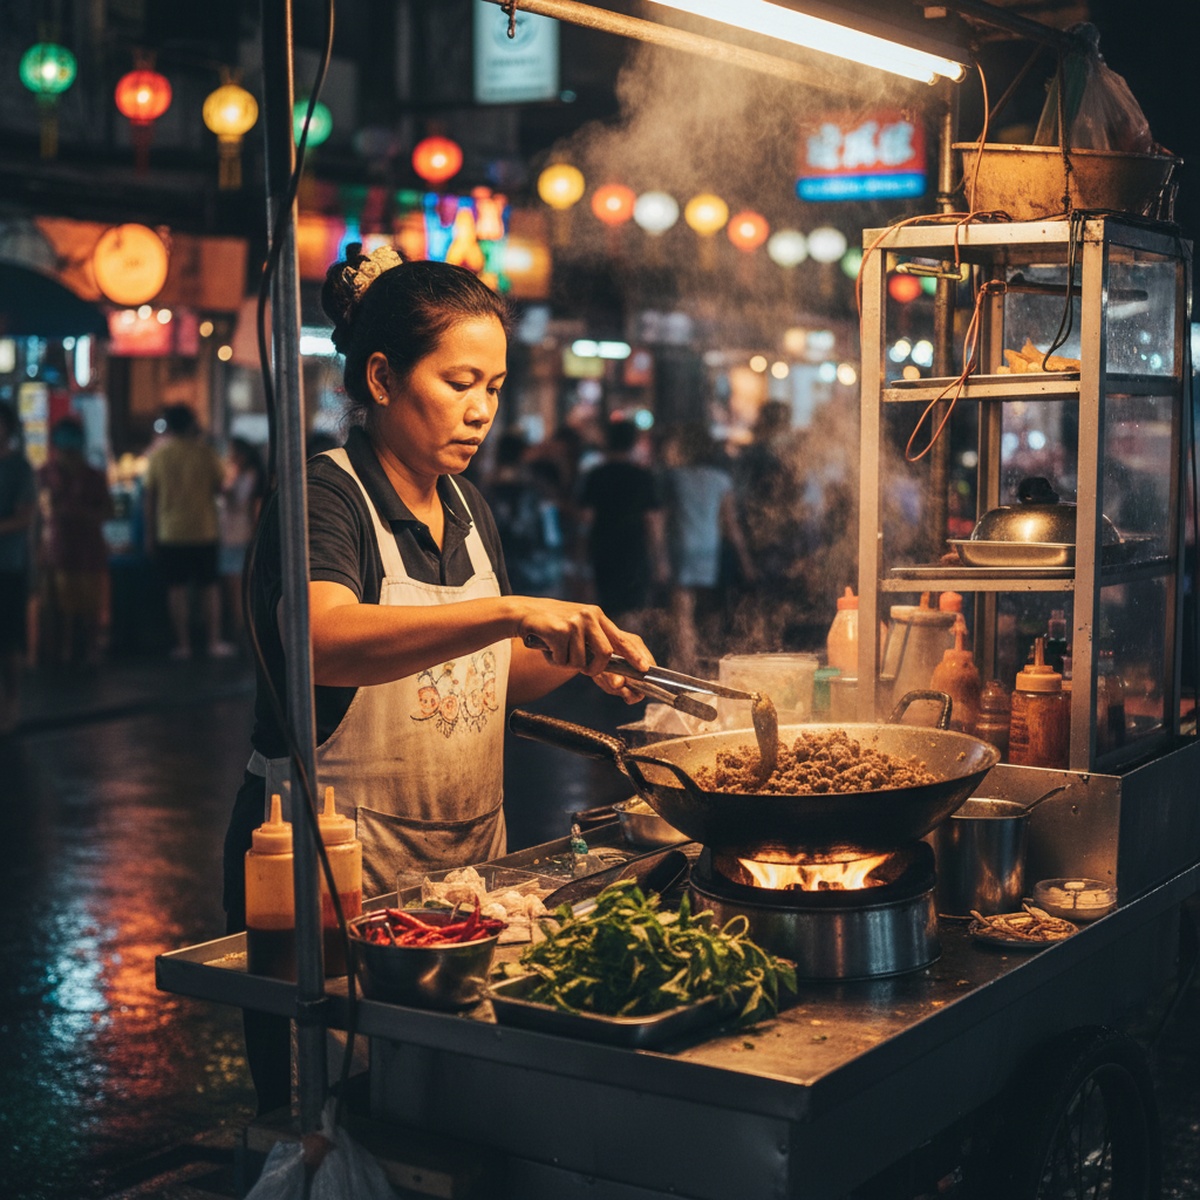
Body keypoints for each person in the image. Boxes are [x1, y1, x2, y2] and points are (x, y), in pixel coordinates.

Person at [222, 245, 652, 1112]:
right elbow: (324, 641)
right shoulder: (324, 496)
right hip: (328, 876)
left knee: (451, 1109)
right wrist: (511, 610)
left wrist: (578, 655)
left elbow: (481, 674)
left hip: (462, 872)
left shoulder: (465, 505)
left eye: (494, 387)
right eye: (459, 382)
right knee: (339, 1117)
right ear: (382, 377)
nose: (481, 410)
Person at [657, 422, 753, 675]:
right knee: (712, 610)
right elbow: (730, 525)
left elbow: (663, 519)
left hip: (682, 547)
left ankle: (686, 665)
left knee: (682, 611)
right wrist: (746, 562)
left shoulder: (674, 477)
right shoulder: (721, 479)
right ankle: (711, 661)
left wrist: (660, 558)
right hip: (710, 549)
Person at [143, 404, 235, 660]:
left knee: (177, 589)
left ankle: (183, 644)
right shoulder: (205, 453)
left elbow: (150, 499)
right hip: (204, 530)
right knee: (209, 588)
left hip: (170, 532)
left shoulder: (159, 456)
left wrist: (150, 534)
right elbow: (222, 488)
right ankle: (213, 642)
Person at [36, 416, 113, 666]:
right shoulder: (45, 474)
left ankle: (88, 649)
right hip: (58, 548)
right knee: (60, 607)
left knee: (90, 606)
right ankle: (63, 650)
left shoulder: (92, 476)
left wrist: (79, 513)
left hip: (87, 550)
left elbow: (107, 511)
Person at [576, 417, 665, 620]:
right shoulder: (642, 477)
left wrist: (580, 558)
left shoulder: (596, 475)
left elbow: (586, 519)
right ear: (633, 442)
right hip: (634, 549)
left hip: (603, 548)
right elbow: (652, 520)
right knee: (633, 611)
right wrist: (660, 559)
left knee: (606, 611)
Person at [0, 402, 35, 733]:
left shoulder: (20, 469)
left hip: (9, 564)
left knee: (10, 640)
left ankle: (11, 704)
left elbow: (25, 518)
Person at [218, 437, 265, 647]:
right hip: (232, 536)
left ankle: (242, 632)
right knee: (234, 588)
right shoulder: (244, 475)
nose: (229, 457)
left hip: (239, 536)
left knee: (237, 589)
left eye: (232, 453)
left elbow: (239, 502)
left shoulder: (248, 476)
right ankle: (240, 630)